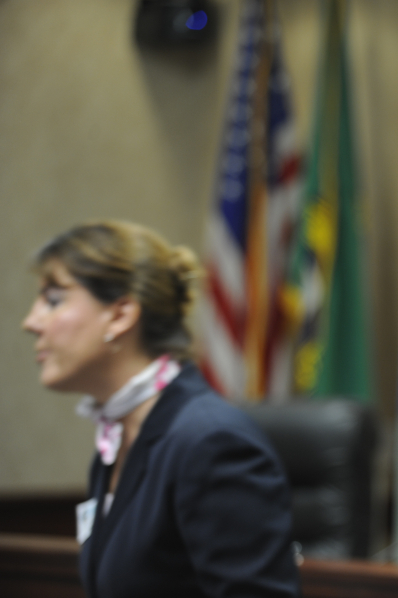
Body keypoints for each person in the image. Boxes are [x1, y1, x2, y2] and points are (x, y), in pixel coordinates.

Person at [21, 221, 298, 598]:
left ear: (120, 316)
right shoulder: (120, 434)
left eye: (54, 300)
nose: (31, 322)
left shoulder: (212, 442)